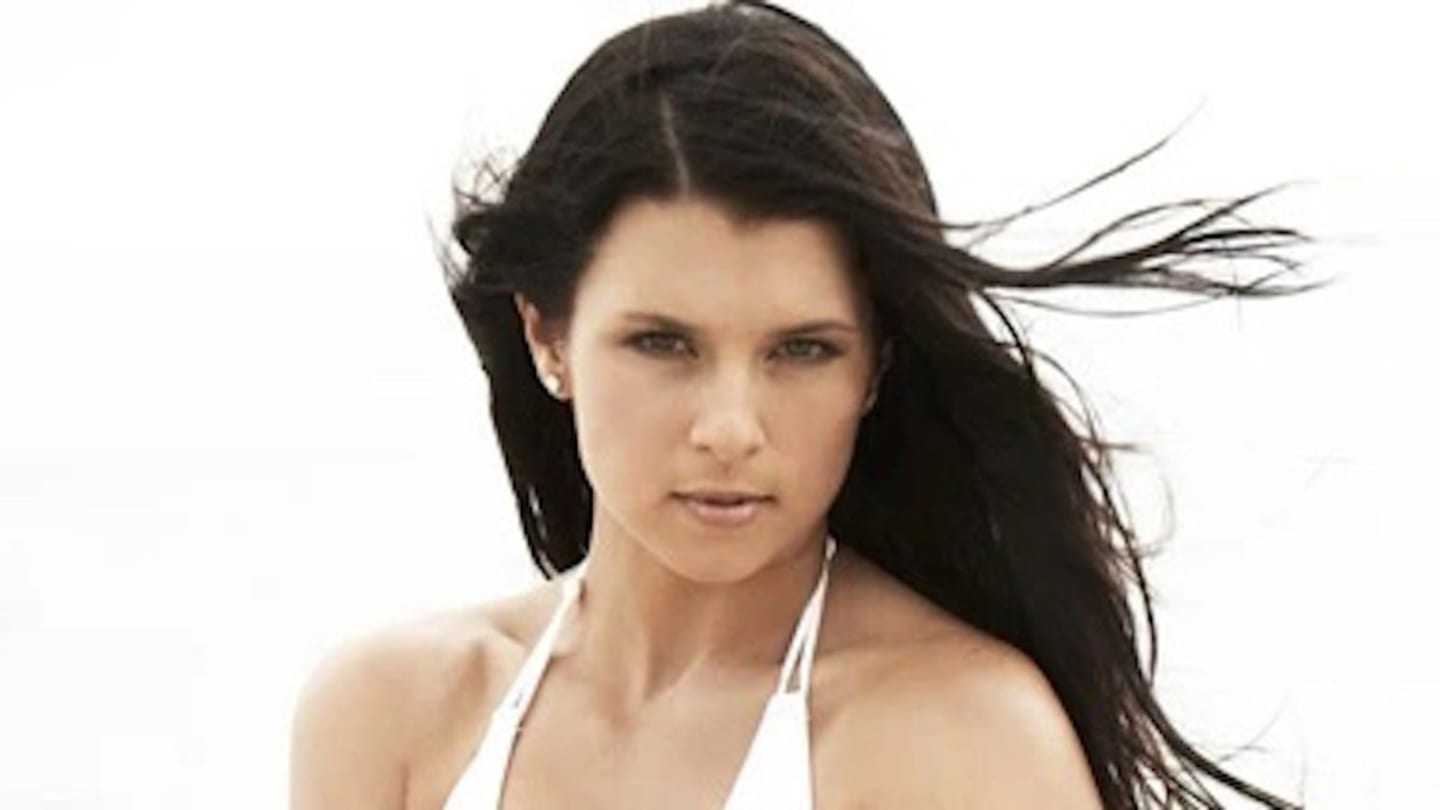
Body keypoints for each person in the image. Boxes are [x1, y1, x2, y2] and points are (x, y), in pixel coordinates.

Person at [290, 2, 1321, 807]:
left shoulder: (965, 739)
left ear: (875, 365)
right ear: (547, 337)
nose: (731, 429)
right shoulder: (391, 715)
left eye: (802, 351)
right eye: (664, 343)